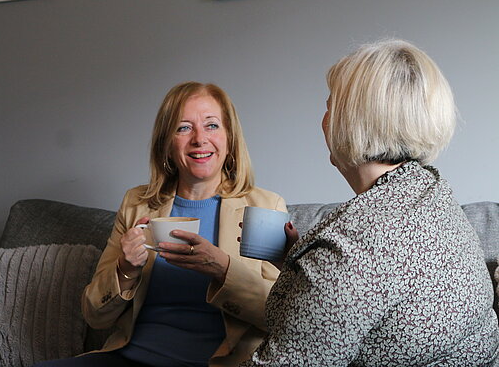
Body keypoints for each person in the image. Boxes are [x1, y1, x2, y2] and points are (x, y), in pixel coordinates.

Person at [242, 40, 499, 366]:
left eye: (329, 106)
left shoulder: (352, 244)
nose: (323, 120)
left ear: (349, 122)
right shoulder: (430, 192)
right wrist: (301, 264)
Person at [33, 81, 287, 367]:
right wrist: (125, 270)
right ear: (167, 144)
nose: (199, 139)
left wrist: (224, 270)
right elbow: (95, 315)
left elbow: (282, 313)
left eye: (212, 125)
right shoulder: (137, 204)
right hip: (129, 357)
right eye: (183, 127)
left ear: (230, 139)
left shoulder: (264, 206)